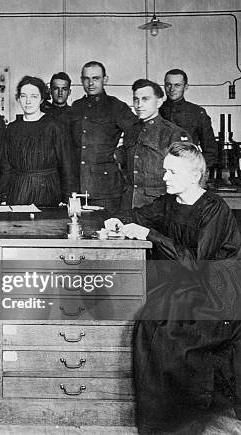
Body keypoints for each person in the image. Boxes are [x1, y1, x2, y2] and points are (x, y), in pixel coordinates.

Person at [105, 142, 241, 433]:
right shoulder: (169, 203)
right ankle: (158, 423)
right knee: (148, 323)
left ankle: (181, 422)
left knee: (171, 331)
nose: (164, 177)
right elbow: (139, 215)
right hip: (187, 286)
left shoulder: (214, 209)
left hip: (218, 294)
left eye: (172, 172)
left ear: (194, 176)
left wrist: (151, 235)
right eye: (165, 170)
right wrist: (119, 220)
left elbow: (196, 265)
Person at [68, 61, 138, 211]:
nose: (90, 83)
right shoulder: (76, 107)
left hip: (106, 187)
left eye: (96, 78)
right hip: (78, 185)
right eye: (86, 79)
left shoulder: (116, 107)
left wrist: (120, 154)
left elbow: (137, 132)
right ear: (81, 80)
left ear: (105, 79)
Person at [0, 76, 76, 206]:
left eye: (34, 96)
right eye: (23, 96)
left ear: (42, 99)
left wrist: (68, 199)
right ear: (18, 99)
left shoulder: (54, 126)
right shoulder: (12, 128)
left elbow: (67, 166)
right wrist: (4, 196)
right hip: (18, 191)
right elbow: (6, 167)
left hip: (47, 190)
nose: (28, 101)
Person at [121, 79, 188, 209]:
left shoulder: (173, 134)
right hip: (129, 203)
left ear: (159, 102)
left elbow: (183, 177)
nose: (139, 105)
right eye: (136, 99)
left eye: (145, 99)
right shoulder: (131, 131)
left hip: (158, 206)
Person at [160, 69, 217, 168]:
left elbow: (211, 151)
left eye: (177, 85)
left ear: (185, 87)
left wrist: (195, 169)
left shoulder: (197, 113)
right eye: (168, 85)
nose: (172, 89)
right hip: (159, 172)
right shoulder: (156, 111)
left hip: (187, 172)